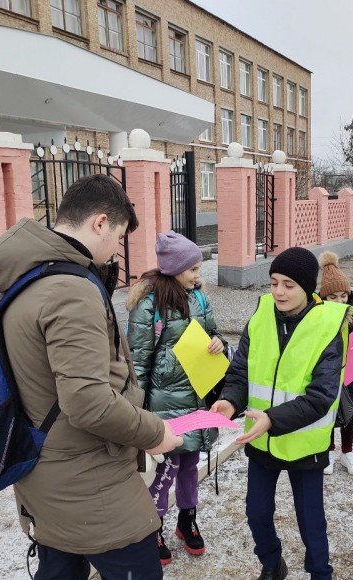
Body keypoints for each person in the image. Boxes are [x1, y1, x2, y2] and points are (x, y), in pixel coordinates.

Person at [0, 174, 182, 579]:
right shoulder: (69, 290)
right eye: (118, 235)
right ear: (100, 223)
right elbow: (88, 402)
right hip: (90, 479)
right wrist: (155, 433)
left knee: (60, 567)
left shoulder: (27, 276)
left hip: (47, 470)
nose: (114, 251)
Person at [211, 247, 352, 580]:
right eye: (274, 282)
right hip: (263, 443)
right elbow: (241, 370)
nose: (278, 291)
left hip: (305, 445)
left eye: (288, 284)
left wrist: (271, 419)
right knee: (257, 513)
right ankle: (272, 564)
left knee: (311, 522)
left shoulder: (329, 324)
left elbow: (321, 397)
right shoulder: (260, 317)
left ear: (306, 286)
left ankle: (321, 573)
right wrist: (230, 400)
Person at [126, 231, 225, 565]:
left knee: (190, 461)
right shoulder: (149, 303)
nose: (199, 276)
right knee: (166, 464)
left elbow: (213, 331)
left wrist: (219, 343)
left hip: (198, 392)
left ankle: (187, 518)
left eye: (199, 269)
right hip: (163, 400)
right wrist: (134, 408)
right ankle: (154, 526)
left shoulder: (199, 297)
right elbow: (137, 359)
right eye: (193, 269)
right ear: (174, 268)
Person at [317, 251, 353, 477]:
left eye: (343, 296)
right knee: (327, 409)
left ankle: (347, 451)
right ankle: (327, 449)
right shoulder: (317, 316)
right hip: (327, 373)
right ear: (324, 297)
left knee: (352, 411)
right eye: (333, 297)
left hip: (352, 373)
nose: (339, 301)